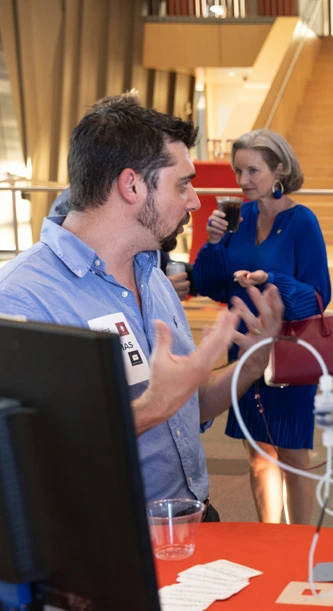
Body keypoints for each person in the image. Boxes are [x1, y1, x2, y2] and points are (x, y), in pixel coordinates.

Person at [0, 94, 284, 520]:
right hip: (105, 546)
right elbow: (27, 454)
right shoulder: (21, 298)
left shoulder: (152, 275)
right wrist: (151, 406)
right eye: (182, 184)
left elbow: (185, 407)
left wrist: (255, 359)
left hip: (192, 520)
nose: (193, 201)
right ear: (131, 185)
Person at [193, 129, 331, 525]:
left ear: (280, 170)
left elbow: (319, 295)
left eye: (253, 170)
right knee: (257, 456)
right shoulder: (243, 215)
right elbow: (212, 285)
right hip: (245, 350)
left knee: (291, 455)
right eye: (239, 171)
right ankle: (268, 538)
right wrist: (214, 243)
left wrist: (269, 278)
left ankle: (298, 541)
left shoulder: (302, 221)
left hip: (289, 353)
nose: (243, 181)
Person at [50, 186, 195, 301]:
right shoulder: (74, 206)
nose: (194, 202)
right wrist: (157, 293)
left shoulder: (149, 224)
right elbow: (79, 275)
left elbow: (160, 265)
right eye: (180, 185)